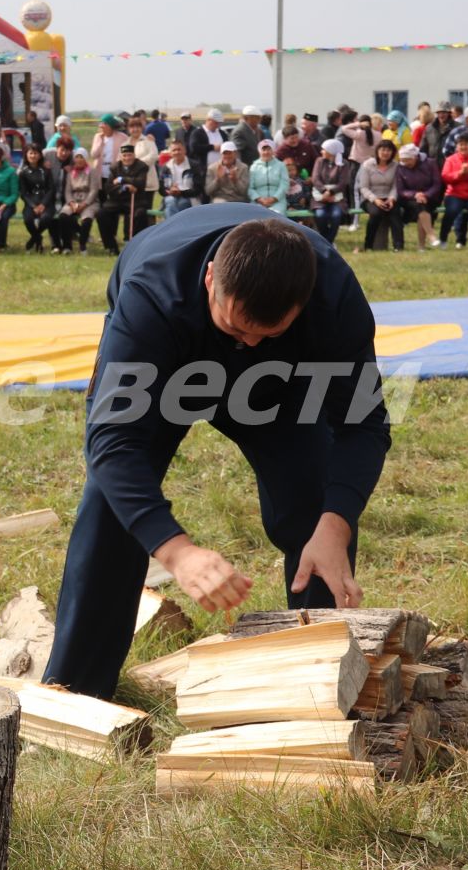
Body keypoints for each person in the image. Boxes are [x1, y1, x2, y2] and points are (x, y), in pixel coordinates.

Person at [44, 211, 389, 699]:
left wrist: (338, 523)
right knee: (111, 506)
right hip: (172, 358)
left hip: (281, 382)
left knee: (316, 502)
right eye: (236, 326)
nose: (247, 343)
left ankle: (313, 680)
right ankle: (76, 690)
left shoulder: (334, 298)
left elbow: (364, 426)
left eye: (266, 334)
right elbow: (113, 443)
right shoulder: (151, 295)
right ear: (210, 279)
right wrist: (176, 551)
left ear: (302, 305)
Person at [391, 144, 439, 250]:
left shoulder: (430, 163)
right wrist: (415, 194)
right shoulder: (400, 168)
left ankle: (422, 245)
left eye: (408, 160)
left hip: (429, 197)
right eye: (403, 160)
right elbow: (401, 190)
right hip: (409, 198)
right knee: (420, 205)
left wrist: (425, 194)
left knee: (421, 205)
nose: (406, 163)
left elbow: (436, 184)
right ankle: (430, 236)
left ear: (415, 157)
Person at [104, 144, 150, 252]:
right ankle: (111, 246)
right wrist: (125, 187)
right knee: (102, 213)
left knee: (140, 214)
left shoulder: (142, 166)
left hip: (136, 200)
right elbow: (109, 187)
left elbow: (140, 183)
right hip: (117, 200)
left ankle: (136, 244)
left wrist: (121, 179)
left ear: (134, 155)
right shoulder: (114, 167)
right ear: (121, 156)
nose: (127, 158)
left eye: (129, 155)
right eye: (124, 155)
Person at [356, 141, 401, 252]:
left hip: (389, 196)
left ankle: (398, 246)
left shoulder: (396, 166)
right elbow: (363, 187)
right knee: (375, 214)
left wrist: (391, 198)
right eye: (383, 150)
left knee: (395, 214)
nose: (385, 153)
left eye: (388, 150)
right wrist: (375, 199)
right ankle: (369, 245)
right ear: (377, 151)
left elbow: (396, 186)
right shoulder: (367, 165)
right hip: (370, 198)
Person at [17, 143, 57, 252]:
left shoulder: (46, 171)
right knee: (28, 219)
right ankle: (38, 239)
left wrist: (43, 204)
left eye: (35, 153)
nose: (33, 156)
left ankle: (34, 238)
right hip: (31, 203)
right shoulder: (23, 173)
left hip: (46, 202)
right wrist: (33, 206)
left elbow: (51, 189)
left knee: (46, 219)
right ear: (26, 155)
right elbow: (23, 193)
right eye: (30, 153)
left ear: (40, 155)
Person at [308, 140, 348, 240]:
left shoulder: (344, 164)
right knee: (320, 215)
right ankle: (326, 240)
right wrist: (324, 192)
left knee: (336, 215)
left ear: (331, 151)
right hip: (320, 197)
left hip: (337, 197)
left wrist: (330, 192)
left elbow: (343, 182)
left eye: (324, 150)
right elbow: (315, 179)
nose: (322, 152)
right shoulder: (319, 161)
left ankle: (329, 241)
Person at [249, 139, 289, 217]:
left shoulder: (281, 165)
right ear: (259, 151)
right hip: (258, 201)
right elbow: (250, 188)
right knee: (255, 217)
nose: (266, 152)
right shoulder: (254, 167)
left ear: (273, 150)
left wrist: (274, 198)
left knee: (278, 216)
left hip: (278, 200)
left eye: (269, 149)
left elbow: (284, 184)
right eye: (263, 150)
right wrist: (259, 199)